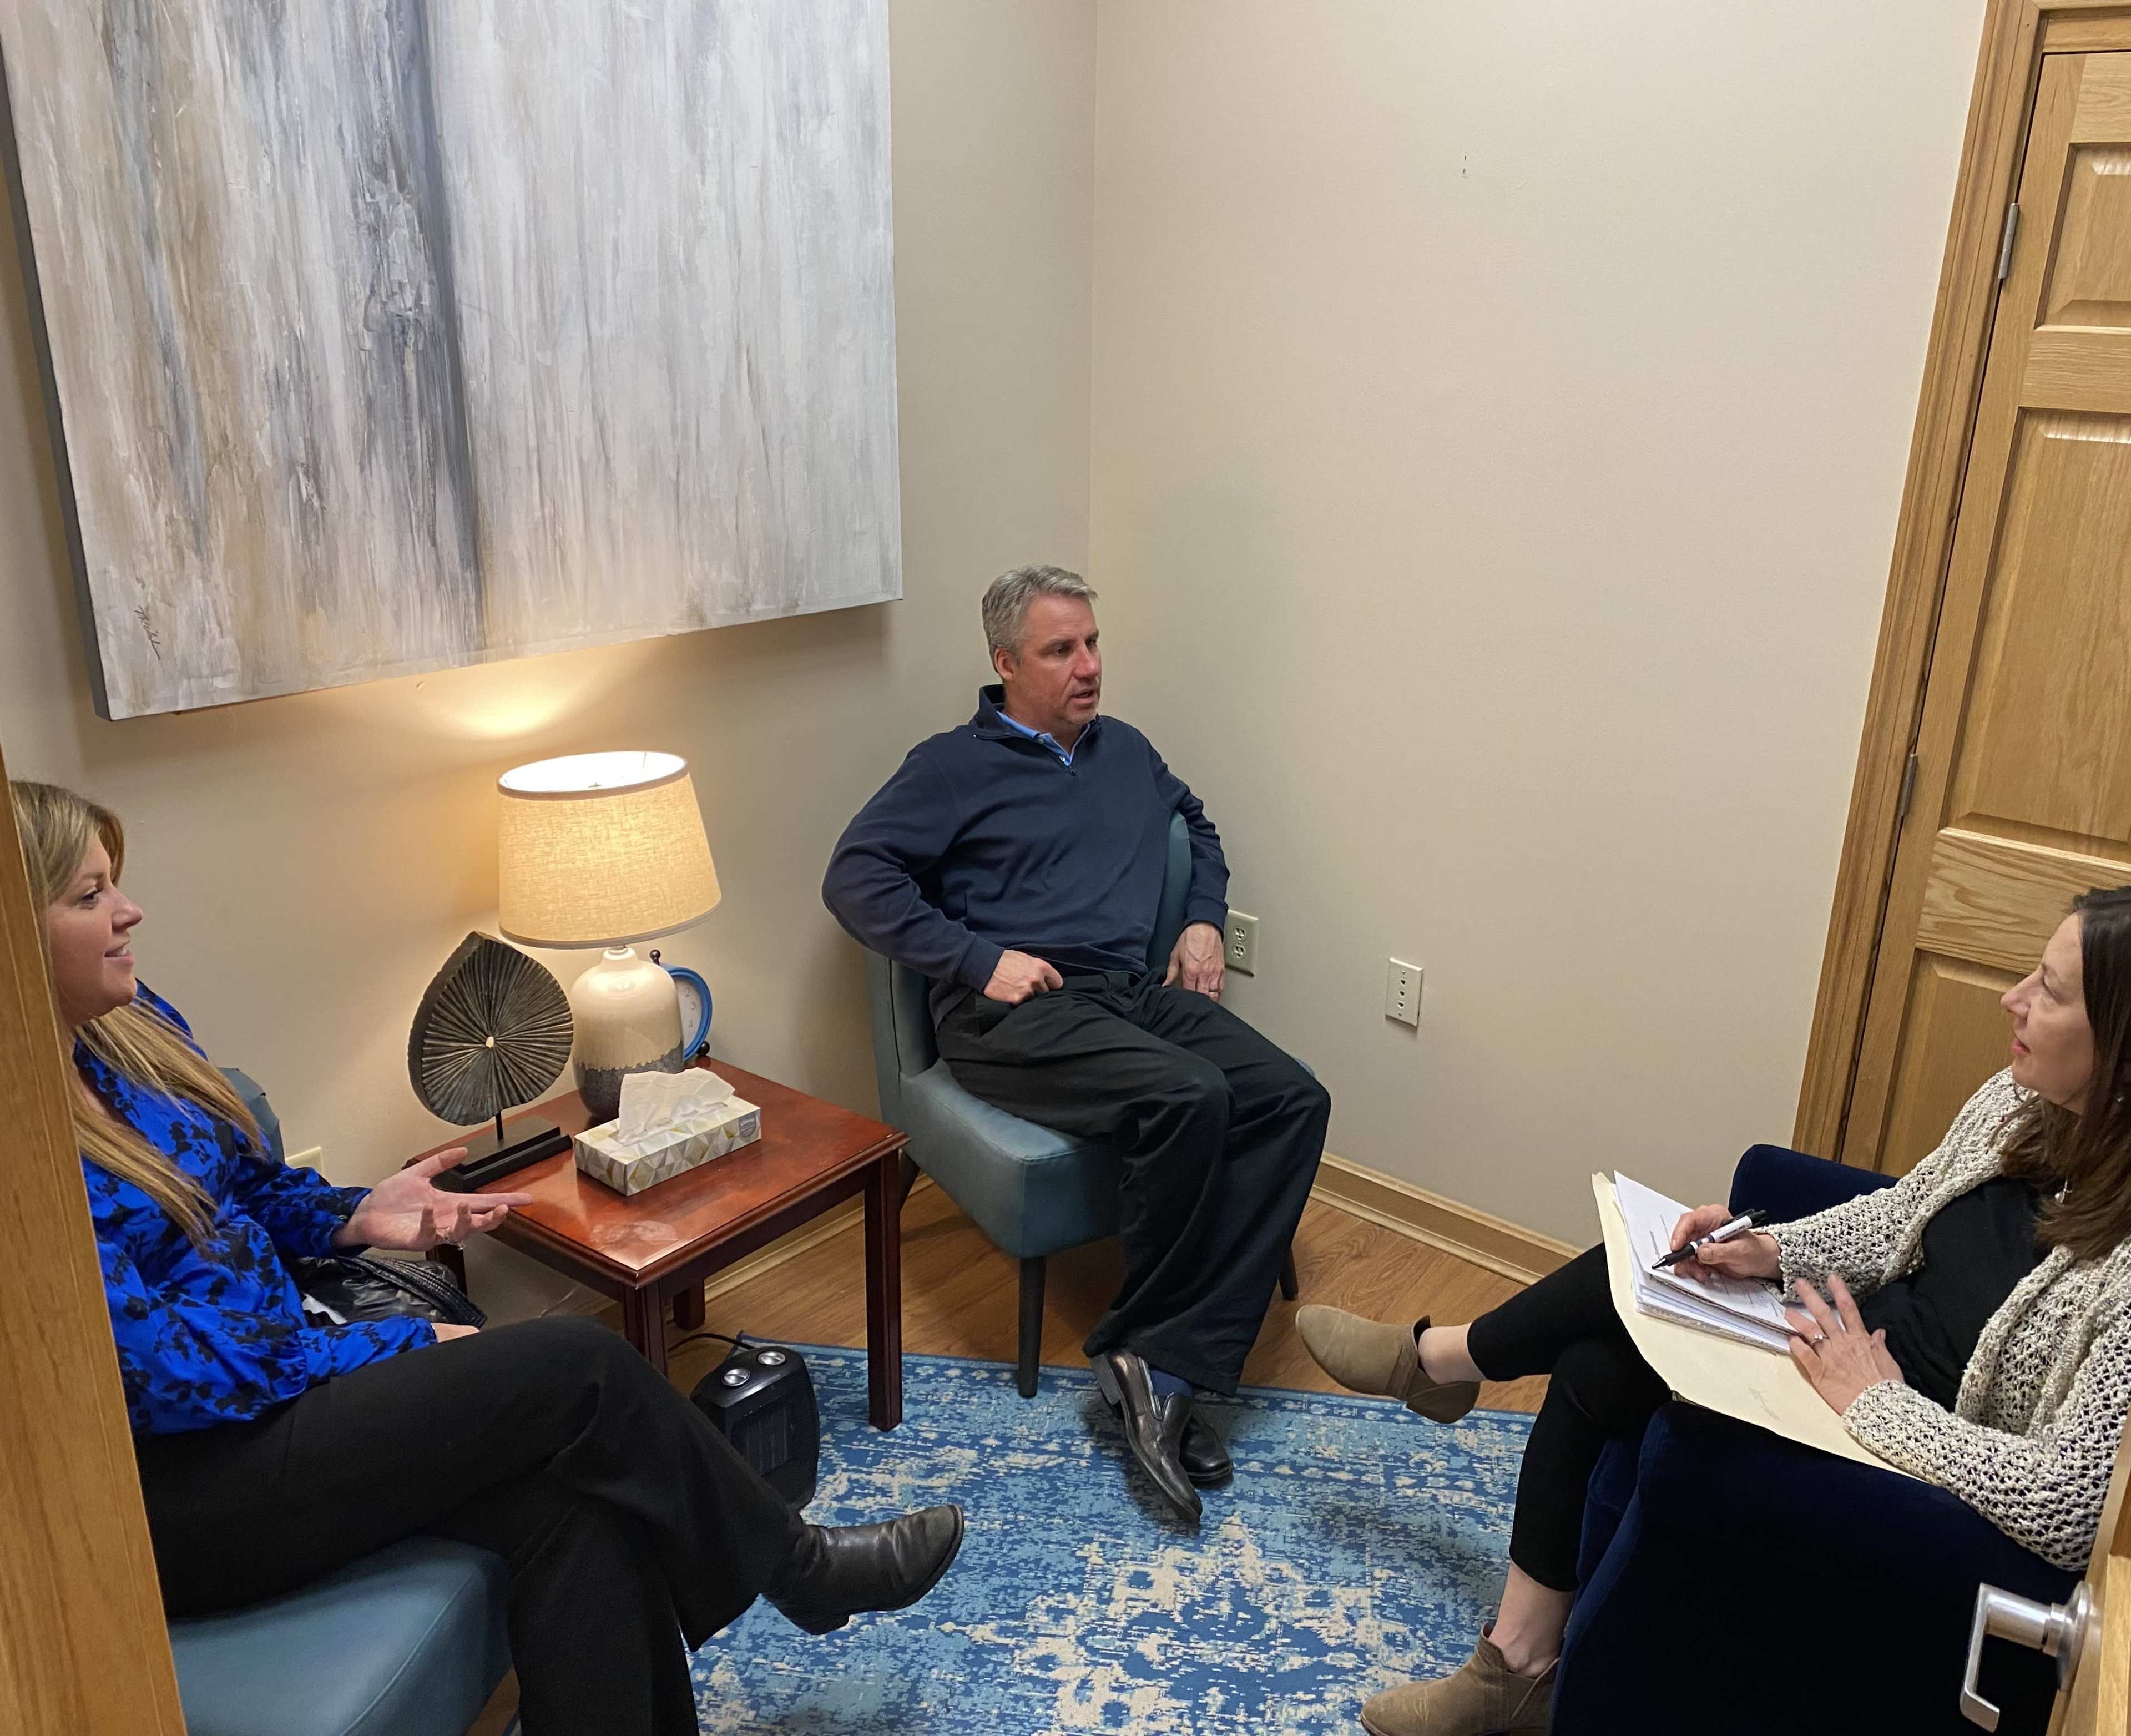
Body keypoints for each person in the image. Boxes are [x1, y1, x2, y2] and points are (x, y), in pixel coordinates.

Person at [13, 779, 965, 1736]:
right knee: (577, 1365)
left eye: (114, 884)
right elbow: (154, 1377)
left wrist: (356, 1216)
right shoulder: (24, 1159)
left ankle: (782, 1589)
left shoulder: (133, 1035)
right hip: (189, 1488)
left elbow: (249, 1191)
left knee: (577, 1510)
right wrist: (378, 1350)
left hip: (282, 1391)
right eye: (89, 896)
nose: (130, 909)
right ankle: (799, 1570)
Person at [1299, 886, 2131, 1736]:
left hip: (1900, 1442)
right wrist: (1771, 1249)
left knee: (1609, 1340)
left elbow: (2070, 1505)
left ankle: (1435, 1365)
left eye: (2051, 990)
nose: (2013, 998)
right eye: (2032, 971)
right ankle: (1519, 1661)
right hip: (1835, 1347)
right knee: (1626, 1317)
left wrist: (1880, 1406)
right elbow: (1899, 1214)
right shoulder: (2019, 1103)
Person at [822, 564, 1330, 1523]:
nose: (1088, 666)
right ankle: (1161, 1369)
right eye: (1062, 651)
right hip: (1014, 1010)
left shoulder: (1126, 751)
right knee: (1188, 1095)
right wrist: (976, 959)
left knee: (1293, 1096)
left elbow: (1196, 822)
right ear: (1006, 663)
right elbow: (856, 878)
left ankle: (1159, 1368)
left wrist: (1204, 922)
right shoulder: (950, 767)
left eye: (1093, 643)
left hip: (1127, 992)